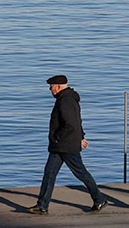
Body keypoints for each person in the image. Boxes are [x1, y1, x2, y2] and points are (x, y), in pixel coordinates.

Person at [27, 75, 109, 215]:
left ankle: (99, 199)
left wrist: (57, 137)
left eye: (51, 87)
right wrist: (81, 137)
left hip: (66, 145)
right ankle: (42, 205)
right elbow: (77, 121)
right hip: (60, 146)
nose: (50, 90)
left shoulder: (65, 101)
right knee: (49, 173)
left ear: (58, 87)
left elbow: (70, 124)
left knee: (81, 173)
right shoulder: (67, 99)